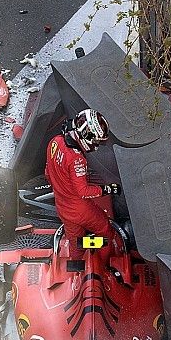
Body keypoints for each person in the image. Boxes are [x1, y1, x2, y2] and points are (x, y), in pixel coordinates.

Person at [44, 109, 120, 262]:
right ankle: (104, 263)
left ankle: (77, 266)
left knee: (76, 242)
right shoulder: (77, 159)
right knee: (105, 231)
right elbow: (83, 191)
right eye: (96, 141)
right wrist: (108, 189)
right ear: (87, 137)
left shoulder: (55, 141)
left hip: (62, 206)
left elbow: (48, 173)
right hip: (80, 209)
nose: (97, 145)